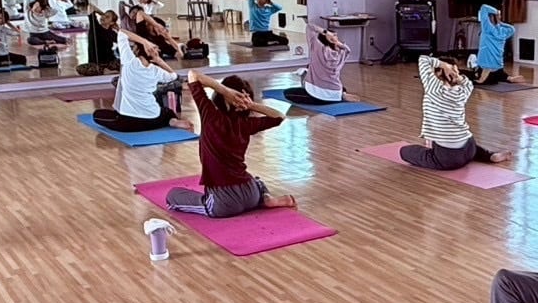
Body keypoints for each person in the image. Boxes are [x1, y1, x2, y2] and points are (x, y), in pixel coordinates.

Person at [165, 70, 296, 216]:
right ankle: (266, 198)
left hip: (224, 202)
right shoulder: (246, 124)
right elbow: (279, 117)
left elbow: (192, 75)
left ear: (222, 95)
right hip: (250, 194)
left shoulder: (210, 115)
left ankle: (259, 199)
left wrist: (225, 91)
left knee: (172, 195)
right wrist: (252, 105)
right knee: (257, 181)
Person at [400, 55, 510, 170]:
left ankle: (444, 154)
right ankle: (489, 156)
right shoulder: (462, 92)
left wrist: (444, 65)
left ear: (439, 72)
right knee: (458, 141)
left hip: (449, 157)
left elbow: (423, 59)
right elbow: (468, 83)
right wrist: (458, 76)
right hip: (469, 148)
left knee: (405, 152)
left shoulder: (434, 89)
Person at [91, 33, 192, 134]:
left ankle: (169, 121)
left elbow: (122, 33)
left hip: (129, 122)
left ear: (137, 50)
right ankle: (172, 121)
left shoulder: (129, 61)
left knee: (97, 115)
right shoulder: (156, 70)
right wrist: (158, 60)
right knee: (167, 112)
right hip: (153, 119)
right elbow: (173, 76)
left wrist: (144, 41)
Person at [282, 22, 354, 105]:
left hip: (317, 95)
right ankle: (342, 94)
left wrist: (326, 32)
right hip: (335, 93)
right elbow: (348, 49)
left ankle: (329, 98)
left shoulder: (317, 48)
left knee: (287, 93)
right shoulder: (342, 53)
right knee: (340, 87)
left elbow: (310, 26)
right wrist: (337, 42)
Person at [469, 3, 516, 85]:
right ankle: (508, 78)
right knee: (500, 74)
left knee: (476, 66)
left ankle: (481, 79)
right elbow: (512, 29)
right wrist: (500, 22)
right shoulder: (503, 32)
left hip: (486, 65)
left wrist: (496, 12)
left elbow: (483, 7)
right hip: (498, 65)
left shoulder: (487, 28)